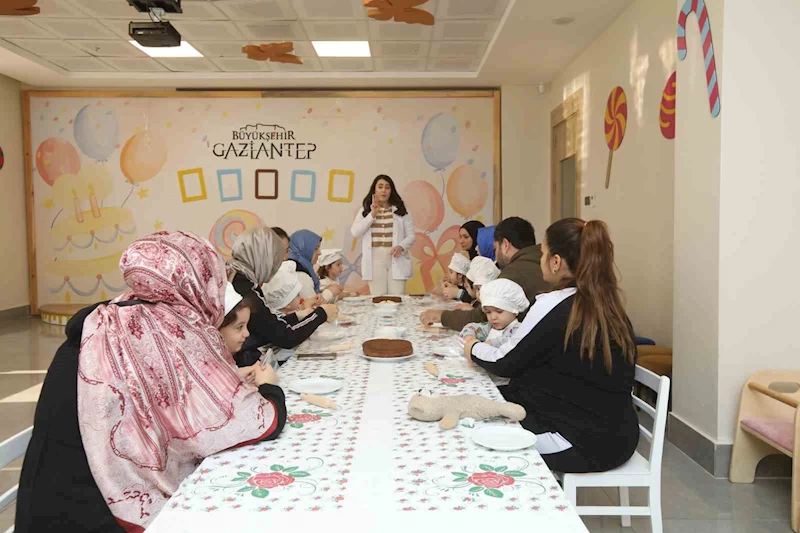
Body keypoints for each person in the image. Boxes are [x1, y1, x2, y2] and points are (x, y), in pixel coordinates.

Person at [15, 232, 287, 532]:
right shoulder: (169, 329)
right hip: (90, 514)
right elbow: (258, 420)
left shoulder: (109, 318)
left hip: (44, 502)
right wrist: (270, 389)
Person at [464, 219, 639, 474]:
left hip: (577, 443)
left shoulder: (554, 304)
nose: (541, 260)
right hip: (620, 438)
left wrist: (472, 347)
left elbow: (505, 362)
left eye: (543, 253)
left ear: (556, 262)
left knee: (475, 435)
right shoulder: (610, 306)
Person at [229, 227, 337, 368]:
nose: (283, 260)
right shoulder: (244, 289)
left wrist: (297, 316)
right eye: (276, 257)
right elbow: (285, 337)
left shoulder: (242, 279)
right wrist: (321, 314)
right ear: (263, 257)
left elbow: (268, 325)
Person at [420, 216, 549, 331]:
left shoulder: (514, 273)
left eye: (495, 248)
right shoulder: (541, 262)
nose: (495, 255)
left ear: (505, 245)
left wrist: (442, 316)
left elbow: (481, 319)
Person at [350, 174, 415, 296]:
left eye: (387, 187)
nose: (383, 190)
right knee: (378, 298)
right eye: (380, 187)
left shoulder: (401, 210)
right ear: (374, 190)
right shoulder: (365, 210)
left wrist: (401, 246)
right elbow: (355, 232)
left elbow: (411, 235)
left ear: (391, 190)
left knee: (397, 298)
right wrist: (372, 215)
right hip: (375, 261)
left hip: (396, 258)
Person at [458, 278, 529, 386]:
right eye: (488, 312)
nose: (493, 317)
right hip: (486, 378)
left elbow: (510, 342)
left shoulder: (518, 329)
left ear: (514, 311)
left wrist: (488, 344)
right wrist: (469, 337)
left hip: (504, 384)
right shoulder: (491, 327)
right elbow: (471, 326)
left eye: (499, 311)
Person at [288, 229, 324, 303]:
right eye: (316, 248)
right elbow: (313, 305)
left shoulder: (293, 269)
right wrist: (330, 293)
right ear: (303, 249)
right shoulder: (301, 276)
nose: (319, 252)